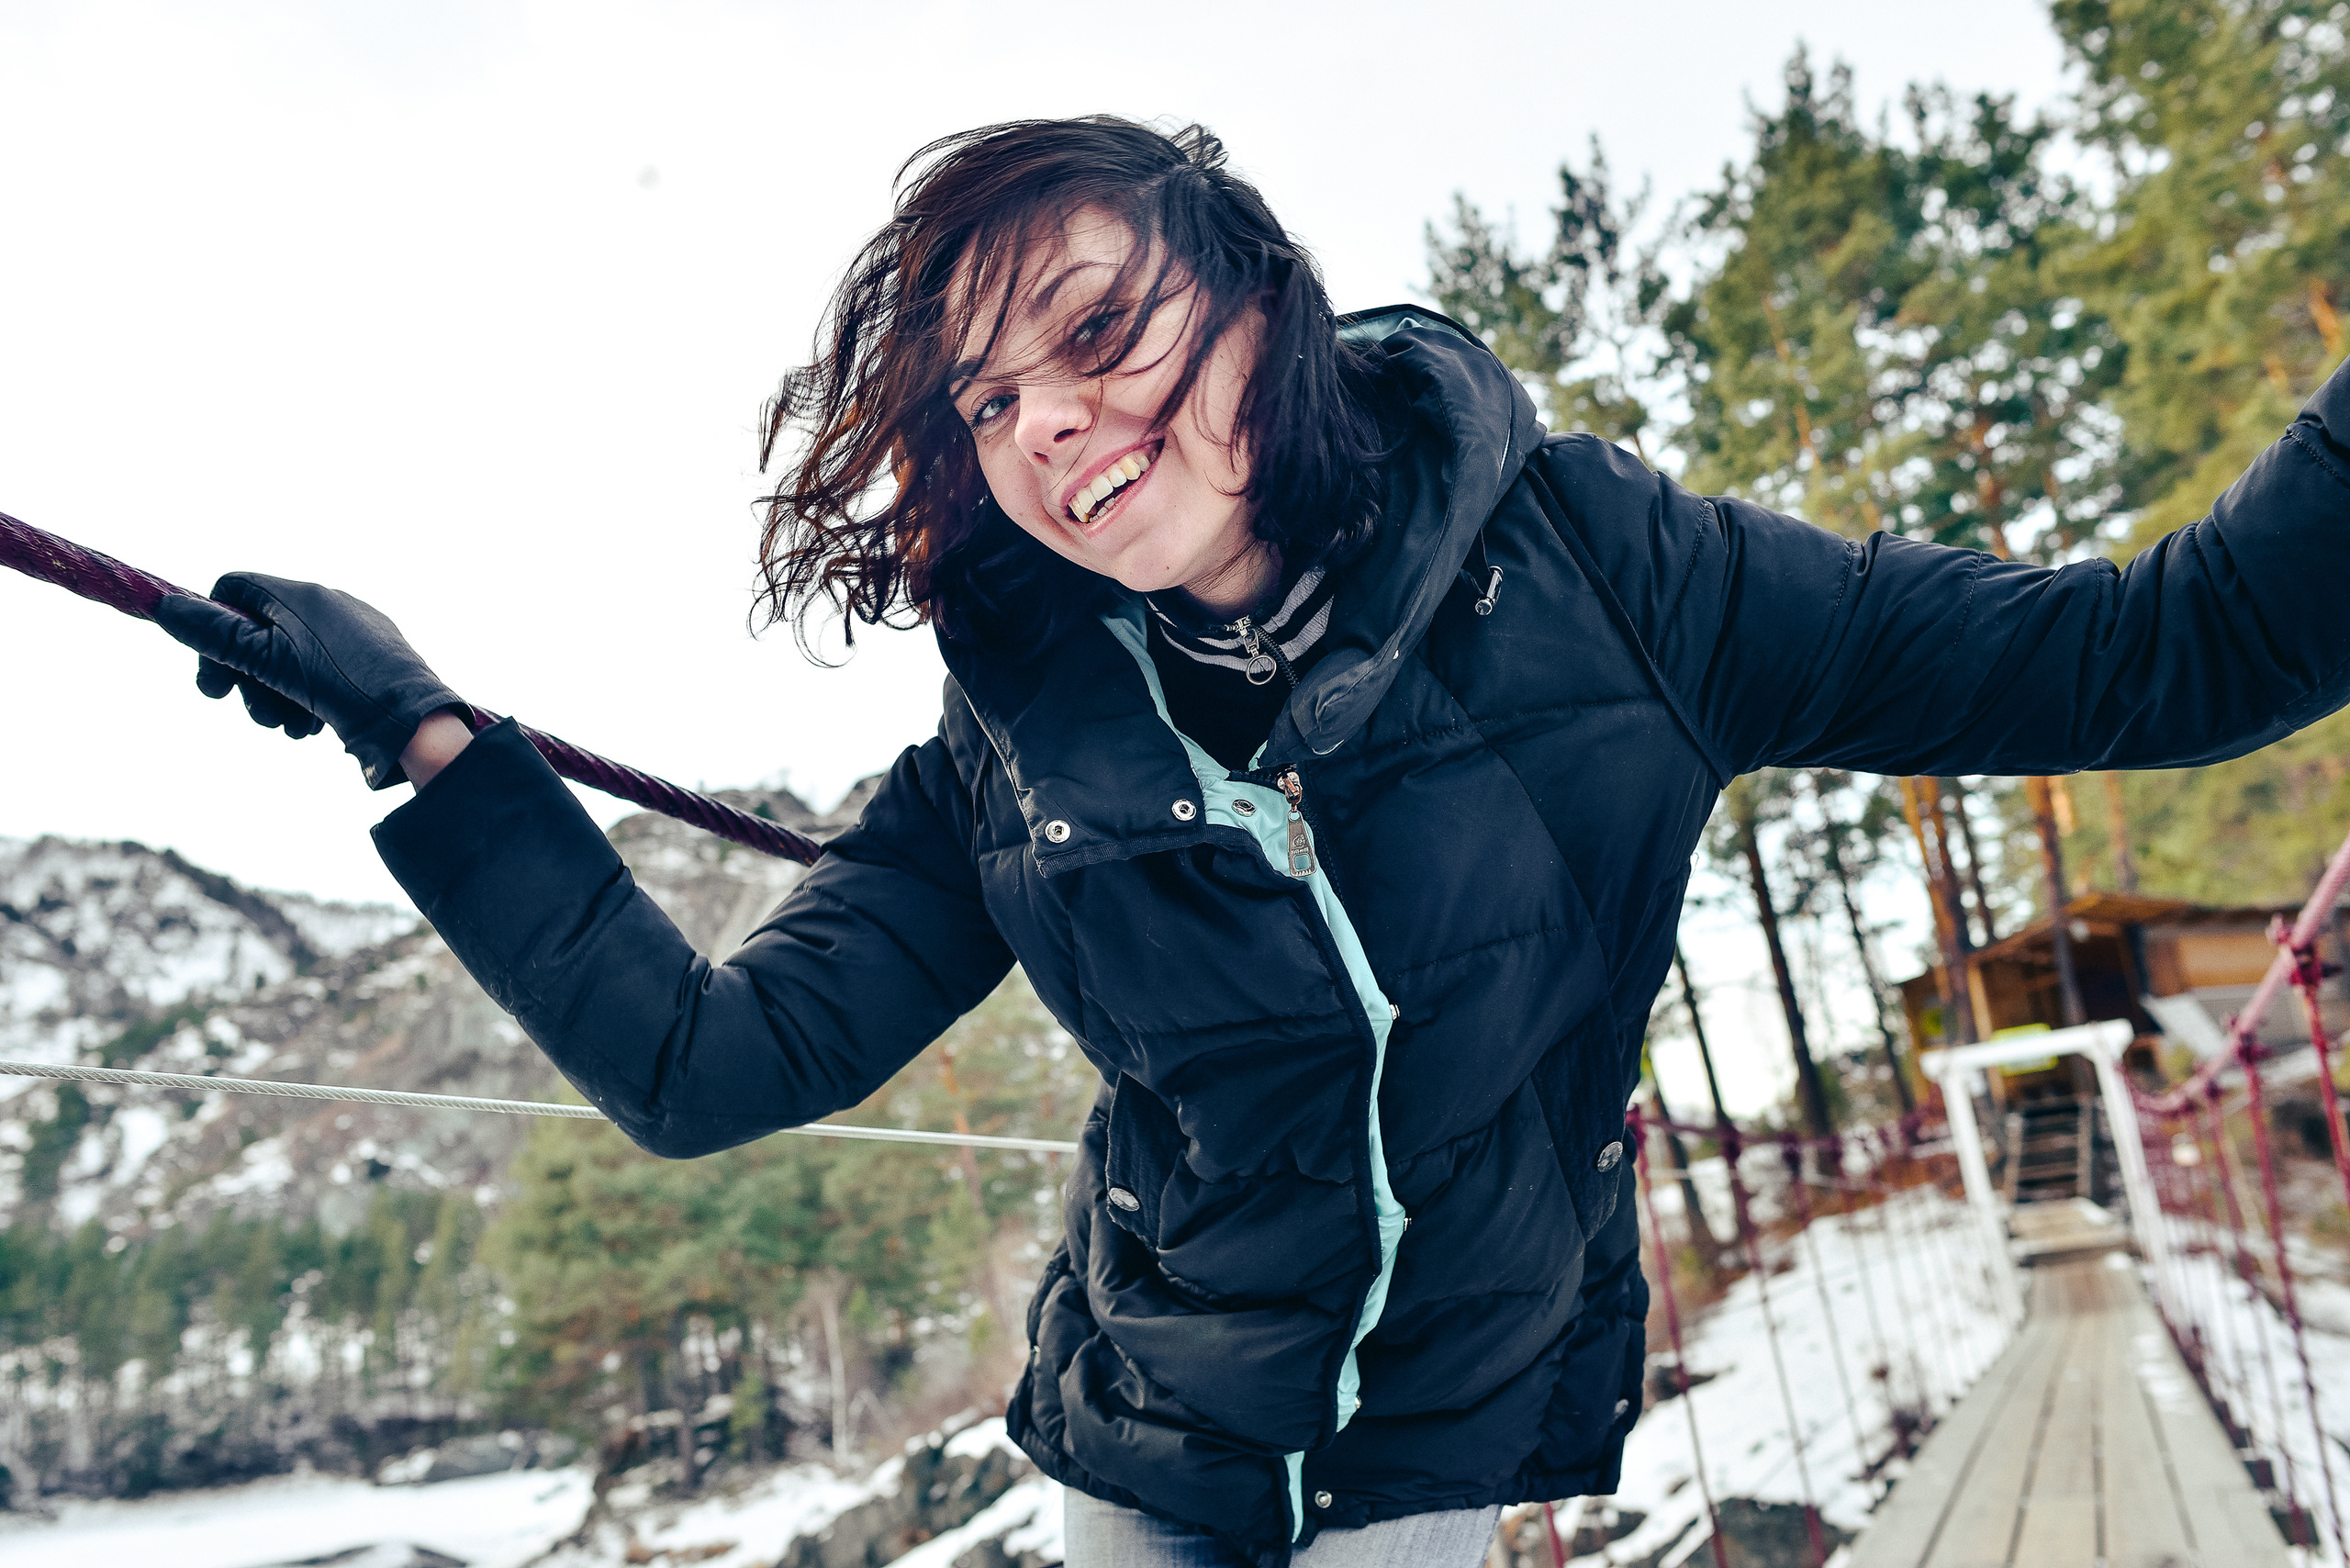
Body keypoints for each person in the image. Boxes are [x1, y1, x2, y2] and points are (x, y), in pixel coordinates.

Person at [154, 117, 2350, 1567]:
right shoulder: (1017, 742)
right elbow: (709, 1064)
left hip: (1441, 1416)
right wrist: (435, 749)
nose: (1049, 426)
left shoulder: (1607, 575)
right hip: (1148, 1430)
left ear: (1260, 297)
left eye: (1094, 334)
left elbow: (2165, 657)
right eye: (986, 404)